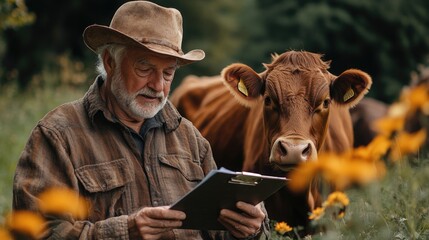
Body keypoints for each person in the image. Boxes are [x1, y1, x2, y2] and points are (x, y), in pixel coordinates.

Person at [12, 1, 270, 239]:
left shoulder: (190, 139)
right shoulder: (58, 134)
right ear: (110, 62)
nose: (158, 85)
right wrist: (125, 231)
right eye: (144, 69)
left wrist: (250, 228)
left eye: (168, 73)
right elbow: (35, 232)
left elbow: (216, 231)